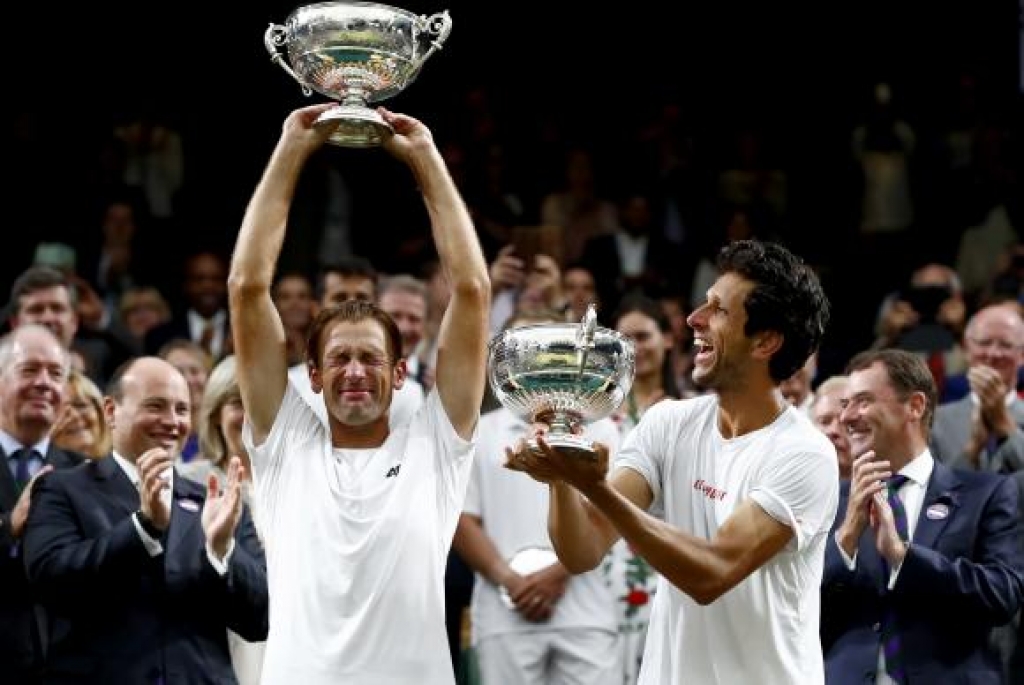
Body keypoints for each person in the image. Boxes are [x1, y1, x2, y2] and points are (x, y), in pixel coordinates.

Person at [229, 104, 490, 685]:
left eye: (370, 358)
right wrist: (291, 147)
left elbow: (471, 289)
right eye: (338, 359)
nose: (354, 372)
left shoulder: (435, 447)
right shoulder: (286, 444)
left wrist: (425, 158)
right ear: (314, 377)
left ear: (400, 374)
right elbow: (247, 287)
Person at [506, 239, 837, 685]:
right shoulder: (668, 423)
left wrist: (595, 487)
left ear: (765, 341)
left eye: (718, 309)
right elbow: (582, 549)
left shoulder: (805, 454)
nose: (693, 319)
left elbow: (712, 573)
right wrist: (561, 477)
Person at [22, 356, 268, 685]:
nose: (171, 421)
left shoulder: (217, 501)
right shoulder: (62, 489)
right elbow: (52, 583)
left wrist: (223, 551)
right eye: (155, 406)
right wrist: (143, 529)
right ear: (110, 411)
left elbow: (260, 619)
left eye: (182, 410)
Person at [820, 348, 1024, 684]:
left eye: (863, 401)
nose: (847, 417)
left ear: (915, 406)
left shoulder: (985, 493)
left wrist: (905, 557)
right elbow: (795, 608)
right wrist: (845, 540)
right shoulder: (831, 501)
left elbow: (1002, 595)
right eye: (845, 404)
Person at [0, 325, 85, 684]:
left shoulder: (87, 473)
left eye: (55, 373)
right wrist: (8, 527)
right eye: (29, 369)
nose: (44, 382)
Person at [930, 302, 1024, 473]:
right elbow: (932, 495)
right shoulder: (936, 421)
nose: (993, 354)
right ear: (966, 348)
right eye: (984, 342)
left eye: (1006, 345)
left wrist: (1006, 427)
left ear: (1022, 354)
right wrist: (972, 450)